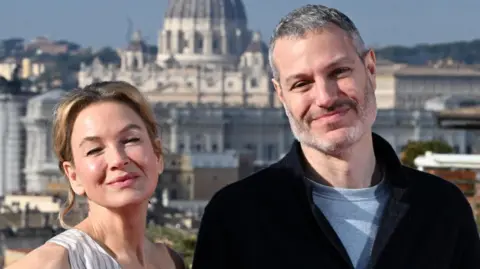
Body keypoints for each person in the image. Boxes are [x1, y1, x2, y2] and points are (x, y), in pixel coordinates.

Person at [192, 4, 480, 269]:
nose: (326, 98)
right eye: (302, 83)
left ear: (370, 69)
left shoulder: (444, 209)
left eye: (339, 72)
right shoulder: (234, 217)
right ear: (280, 95)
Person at [7, 81, 186, 269]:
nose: (117, 159)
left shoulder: (170, 261)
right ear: (73, 176)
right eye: (94, 150)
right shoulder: (51, 263)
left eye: (131, 139)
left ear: (157, 155)